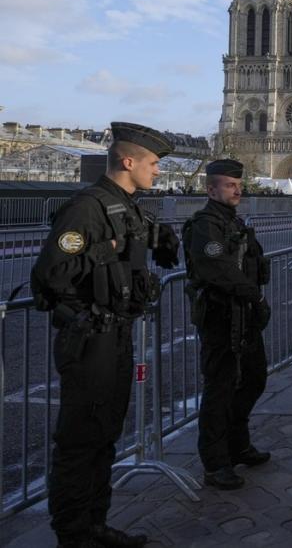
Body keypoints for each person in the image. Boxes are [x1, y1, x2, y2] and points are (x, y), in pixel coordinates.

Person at [31, 122, 179, 548]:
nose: (157, 171)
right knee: (80, 440)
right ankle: (74, 534)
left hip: (116, 332)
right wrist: (108, 249)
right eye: (152, 163)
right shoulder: (88, 207)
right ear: (128, 161)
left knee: (105, 434)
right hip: (88, 336)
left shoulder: (129, 206)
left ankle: (96, 525)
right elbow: (51, 274)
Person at [183, 159, 272, 491]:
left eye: (238, 185)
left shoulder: (233, 223)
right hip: (221, 317)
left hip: (244, 315)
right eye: (229, 185)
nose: (237, 190)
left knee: (253, 379)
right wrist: (256, 298)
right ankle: (215, 462)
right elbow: (218, 270)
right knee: (219, 390)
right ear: (210, 189)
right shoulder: (206, 226)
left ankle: (238, 445)